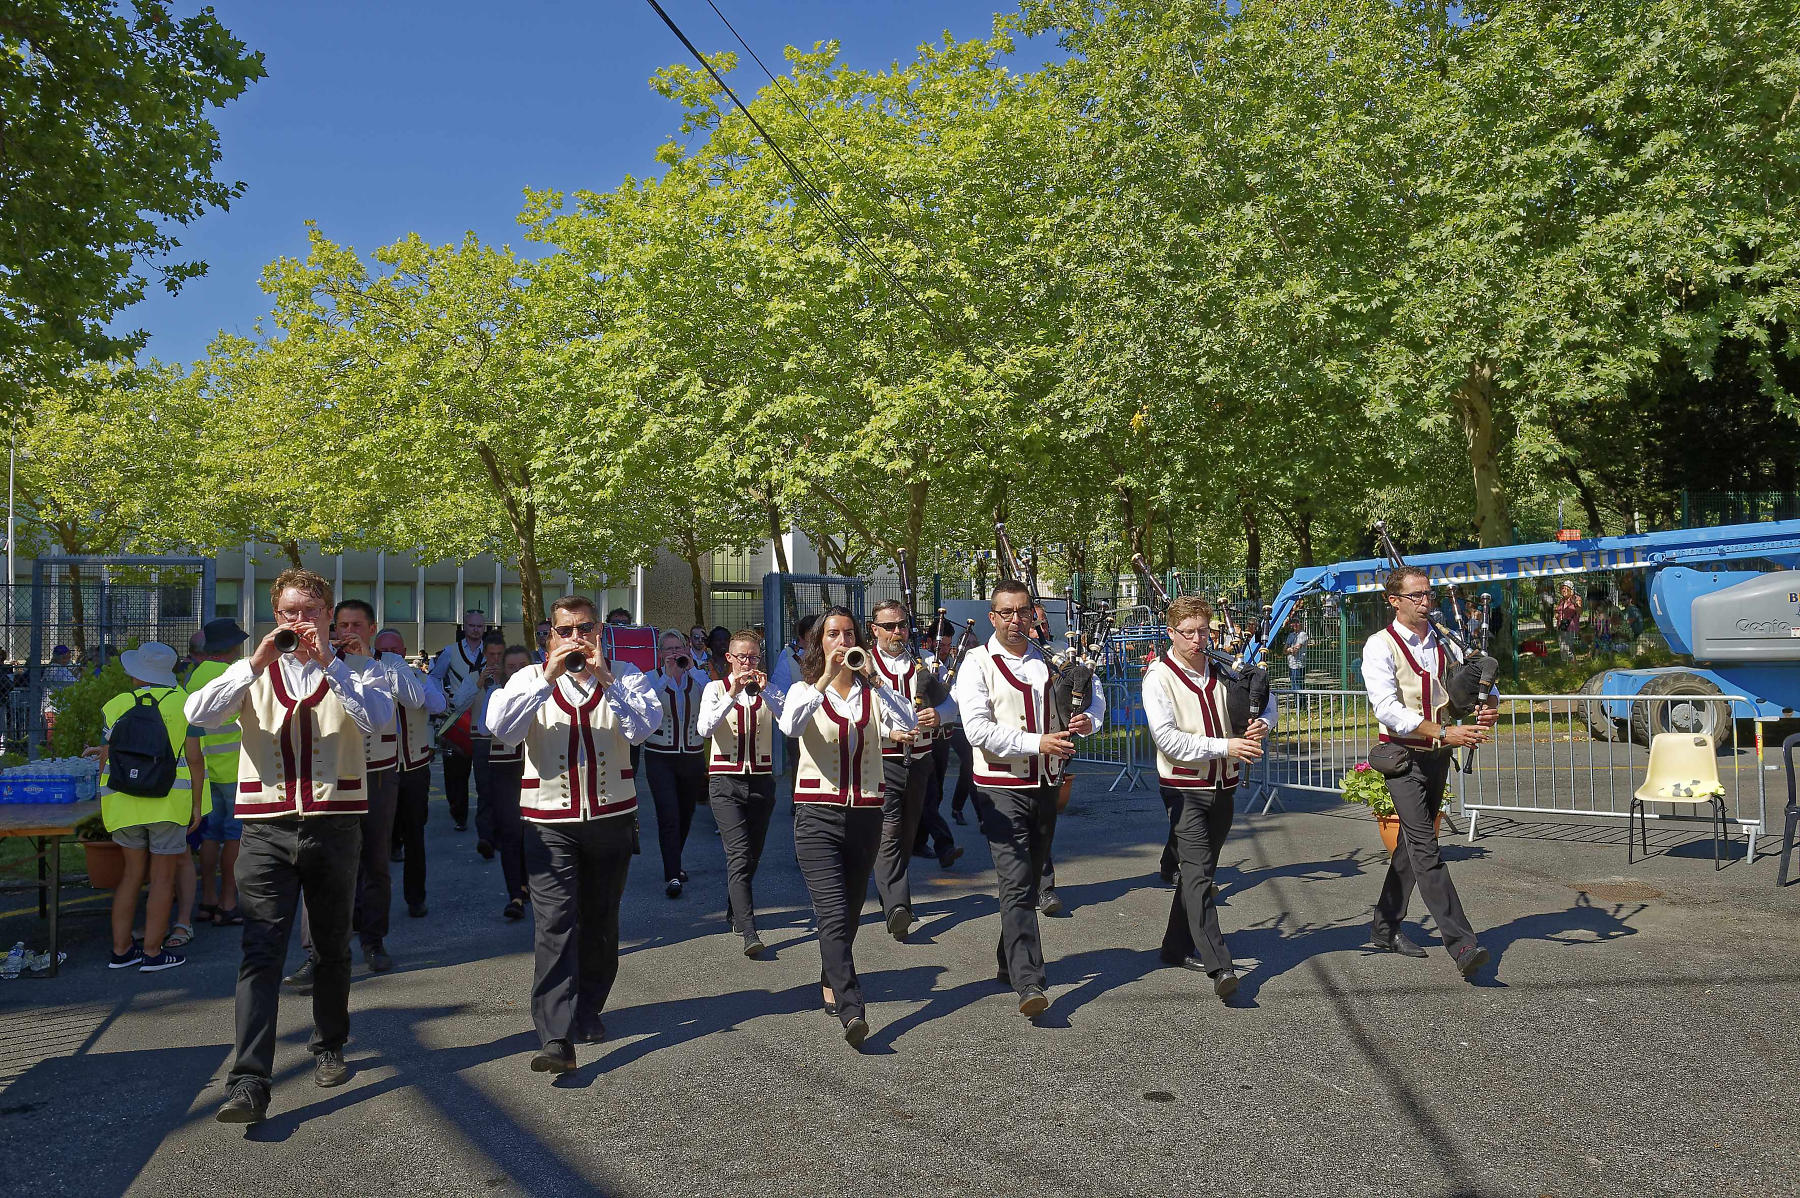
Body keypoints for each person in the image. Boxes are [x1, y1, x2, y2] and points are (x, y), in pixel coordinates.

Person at [187, 568, 394, 1123]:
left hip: (334, 823)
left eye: (309, 611)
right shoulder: (253, 671)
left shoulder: (362, 670)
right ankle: (249, 1080)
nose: (298, 621)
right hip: (265, 828)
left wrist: (331, 663)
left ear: (328, 615)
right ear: (274, 616)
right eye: (287, 612)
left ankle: (330, 1042)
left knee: (330, 946)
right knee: (260, 950)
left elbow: (376, 722)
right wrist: (255, 662)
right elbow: (198, 715)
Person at [486, 595, 661, 1075]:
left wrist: (607, 680)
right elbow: (502, 729)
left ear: (599, 631)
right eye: (565, 631)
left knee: (601, 922)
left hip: (612, 818)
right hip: (549, 823)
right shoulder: (528, 678)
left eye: (584, 628)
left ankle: (588, 1007)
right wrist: (546, 678)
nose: (576, 638)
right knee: (554, 923)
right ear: (551, 635)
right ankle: (555, 1035)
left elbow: (644, 729)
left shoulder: (625, 675)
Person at [953, 580, 1104, 1018]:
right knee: (1017, 880)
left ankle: (1008, 959)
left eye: (1023, 612)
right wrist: (1037, 742)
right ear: (992, 617)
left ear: (1033, 615)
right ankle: (1030, 980)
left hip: (1046, 783)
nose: (1015, 620)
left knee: (1030, 876)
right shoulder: (976, 664)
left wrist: (1087, 721)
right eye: (1006, 612)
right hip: (998, 787)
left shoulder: (1049, 660)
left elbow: (1095, 696)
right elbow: (977, 729)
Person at [777, 607, 916, 1047]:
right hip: (817, 815)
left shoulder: (871, 693)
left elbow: (908, 723)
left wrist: (876, 680)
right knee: (833, 912)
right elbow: (790, 726)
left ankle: (829, 975)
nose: (842, 642)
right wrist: (824, 679)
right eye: (833, 635)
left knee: (851, 911)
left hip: (866, 814)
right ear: (820, 643)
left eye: (849, 634)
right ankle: (852, 1007)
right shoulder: (803, 690)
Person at [1362, 565, 1495, 978]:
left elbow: (1475, 680)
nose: (1425, 602)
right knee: (1424, 847)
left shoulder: (1444, 640)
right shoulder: (1379, 646)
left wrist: (1489, 703)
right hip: (1402, 758)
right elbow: (1386, 708)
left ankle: (1385, 928)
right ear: (1394, 601)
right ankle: (1462, 943)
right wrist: (1441, 731)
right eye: (1415, 595)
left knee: (1410, 845)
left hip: (1437, 757)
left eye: (1428, 594)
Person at [1143, 596, 1274, 1000]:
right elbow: (1167, 740)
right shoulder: (1158, 677)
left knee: (1197, 872)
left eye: (1203, 631)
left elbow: (1266, 700)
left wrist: (1263, 724)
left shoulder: (1223, 669)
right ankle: (1221, 966)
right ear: (1171, 633)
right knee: (1200, 874)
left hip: (1224, 785)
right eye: (1188, 632)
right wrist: (1226, 746)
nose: (1198, 639)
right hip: (1183, 788)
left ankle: (1173, 946)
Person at [87, 642, 210, 973]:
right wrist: (197, 805)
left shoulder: (116, 705)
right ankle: (153, 953)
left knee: (130, 876)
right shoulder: (186, 704)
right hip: (168, 803)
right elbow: (195, 760)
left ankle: (121, 950)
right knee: (162, 879)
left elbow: (107, 756)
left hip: (123, 801)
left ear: (137, 674)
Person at [335, 599, 436, 973]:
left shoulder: (390, 662)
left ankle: (374, 940)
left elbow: (415, 698)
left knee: (376, 859)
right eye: (343, 626)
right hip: (336, 774)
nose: (349, 633)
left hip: (379, 772)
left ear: (371, 629)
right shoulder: (325, 661)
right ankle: (336, 935)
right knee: (336, 860)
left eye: (357, 626)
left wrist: (372, 662)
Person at [867, 600, 956, 939]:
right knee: (889, 830)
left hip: (920, 759)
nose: (897, 632)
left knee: (907, 833)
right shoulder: (863, 663)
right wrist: (888, 732)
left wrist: (939, 715)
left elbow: (952, 703)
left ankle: (889, 892)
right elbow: (854, 712)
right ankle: (898, 906)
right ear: (875, 629)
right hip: (881, 759)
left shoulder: (927, 662)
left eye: (901, 625)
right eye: (888, 626)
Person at [695, 630, 781, 956]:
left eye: (754, 656)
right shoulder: (714, 688)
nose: (748, 662)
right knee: (739, 853)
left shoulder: (768, 689)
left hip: (761, 781)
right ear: (729, 658)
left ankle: (735, 907)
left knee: (752, 854)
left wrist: (768, 691)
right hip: (725, 782)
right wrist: (732, 693)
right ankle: (749, 930)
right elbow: (705, 729)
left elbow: (790, 722)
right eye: (742, 657)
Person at [374, 627, 444, 919]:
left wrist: (411, 680)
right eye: (383, 652)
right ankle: (369, 907)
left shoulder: (420, 678)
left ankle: (416, 897)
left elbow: (439, 705)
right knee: (373, 839)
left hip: (414, 767)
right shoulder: (367, 678)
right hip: (379, 769)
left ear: (403, 653)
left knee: (415, 834)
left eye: (394, 651)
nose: (389, 656)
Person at [188, 619, 249, 928]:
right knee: (234, 836)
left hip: (204, 770)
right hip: (235, 769)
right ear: (232, 647)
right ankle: (228, 902)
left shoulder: (195, 676)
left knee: (210, 836)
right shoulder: (234, 676)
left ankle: (208, 900)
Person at [643, 630, 711, 897]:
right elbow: (646, 705)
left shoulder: (697, 676)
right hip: (660, 755)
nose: (674, 653)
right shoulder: (652, 678)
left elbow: (712, 695)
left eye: (678, 648)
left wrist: (691, 669)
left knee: (686, 813)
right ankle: (672, 874)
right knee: (668, 814)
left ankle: (675, 860)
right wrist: (668, 677)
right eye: (669, 649)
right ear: (661, 653)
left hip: (692, 754)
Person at [447, 631, 507, 860]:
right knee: (484, 789)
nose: (495, 659)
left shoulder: (512, 676)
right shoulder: (474, 676)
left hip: (507, 741)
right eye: (491, 655)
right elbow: (458, 704)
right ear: (485, 654)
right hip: (481, 740)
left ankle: (503, 834)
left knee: (506, 790)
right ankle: (486, 838)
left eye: (499, 654)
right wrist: (479, 683)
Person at [486, 644, 535, 921]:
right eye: (511, 667)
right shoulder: (497, 694)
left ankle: (528, 884)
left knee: (533, 830)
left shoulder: (543, 691)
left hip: (536, 766)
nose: (517, 672)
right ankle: (515, 894)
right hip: (504, 767)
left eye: (522, 666)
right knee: (510, 830)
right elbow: (486, 727)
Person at [430, 609, 489, 831]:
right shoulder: (450, 651)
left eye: (479, 626)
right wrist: (442, 697)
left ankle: (486, 816)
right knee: (455, 773)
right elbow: (434, 676)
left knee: (485, 773)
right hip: (457, 717)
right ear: (464, 627)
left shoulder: (492, 652)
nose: (476, 630)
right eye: (472, 625)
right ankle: (459, 815)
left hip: (483, 718)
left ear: (484, 628)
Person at [912, 619, 962, 866]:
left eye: (948, 645)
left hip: (942, 739)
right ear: (929, 641)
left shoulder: (943, 665)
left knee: (935, 793)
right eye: (941, 644)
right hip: (920, 739)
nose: (944, 649)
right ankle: (944, 845)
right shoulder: (920, 660)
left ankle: (918, 842)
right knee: (929, 794)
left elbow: (953, 700)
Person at [1554, 581, 1582, 657]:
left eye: (1566, 588)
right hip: (1562, 626)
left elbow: (1580, 612)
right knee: (1563, 649)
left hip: (1571, 627)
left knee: (1568, 650)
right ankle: (1567, 662)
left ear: (1571, 590)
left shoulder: (1576, 599)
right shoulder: (1561, 600)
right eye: (1562, 588)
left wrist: (1575, 603)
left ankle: (1571, 662)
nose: (1563, 590)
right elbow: (1557, 614)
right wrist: (1556, 614)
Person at [1283, 615, 1310, 692]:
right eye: (1293, 622)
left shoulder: (1303, 634)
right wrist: (1290, 650)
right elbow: (1284, 650)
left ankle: (1301, 700)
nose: (1295, 624)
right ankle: (1297, 700)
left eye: (1297, 622)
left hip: (1299, 665)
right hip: (1291, 664)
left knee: (1299, 687)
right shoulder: (1291, 635)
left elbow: (1295, 650)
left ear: (1300, 624)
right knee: (1293, 687)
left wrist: (1289, 649)